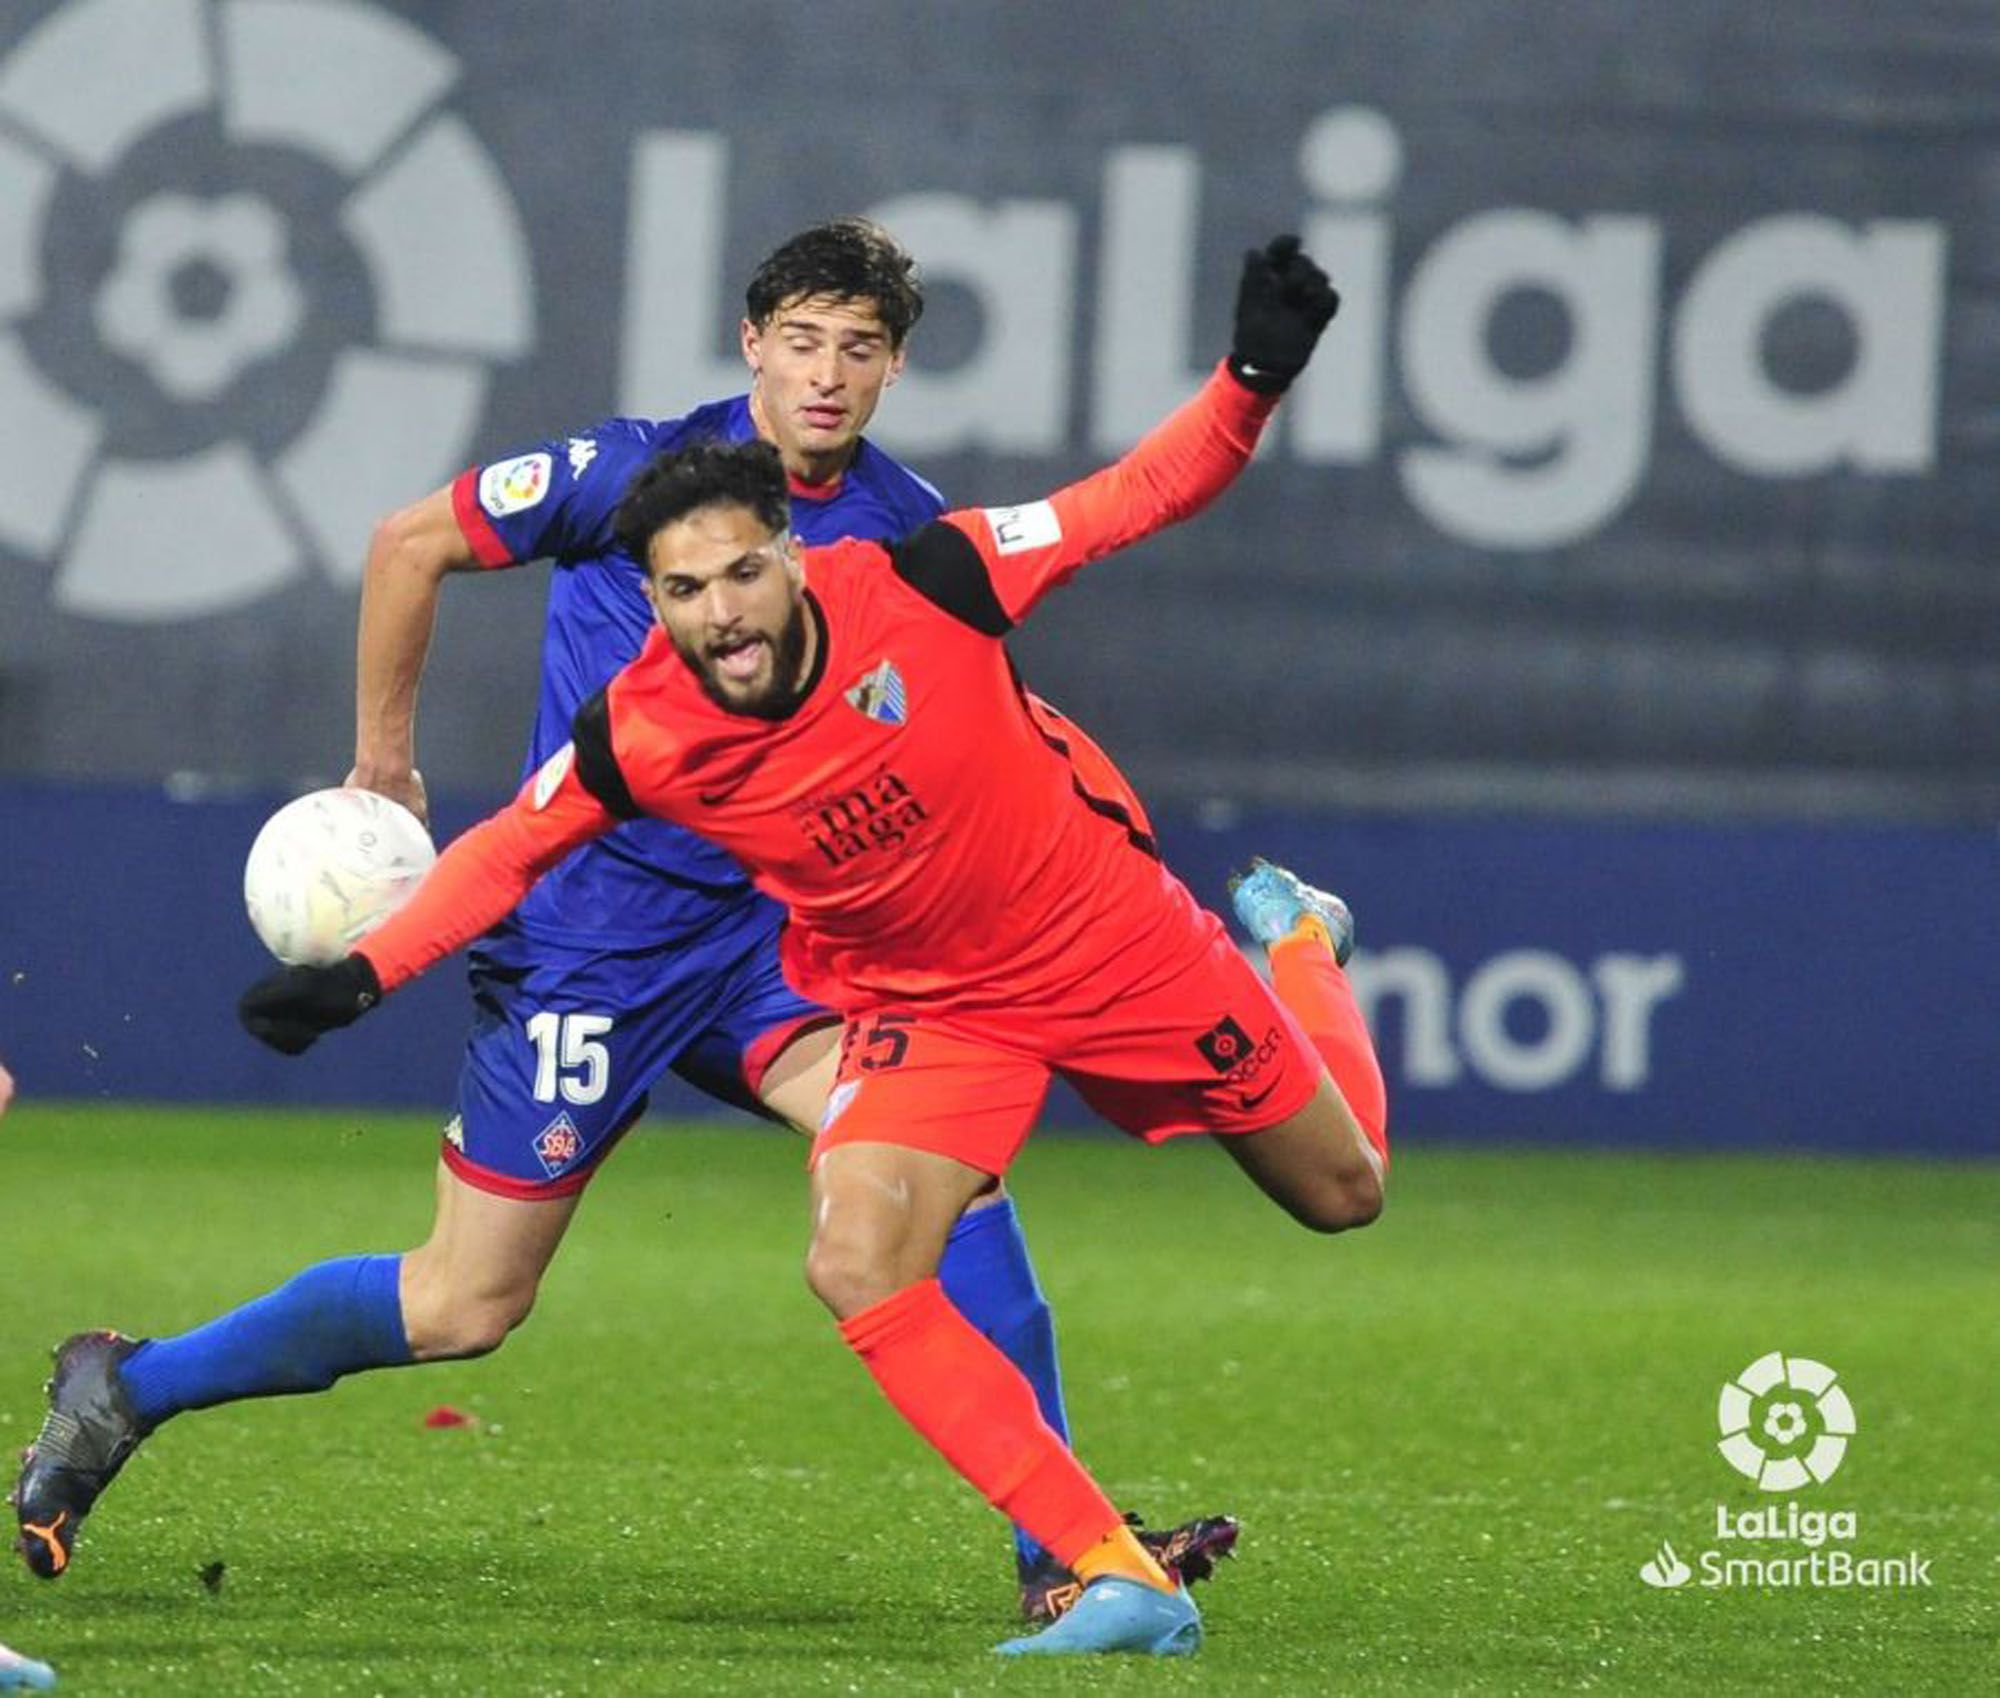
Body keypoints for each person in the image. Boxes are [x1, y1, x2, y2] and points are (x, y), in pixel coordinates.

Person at [9, 220, 1232, 1614]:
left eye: (860, 347)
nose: (826, 375)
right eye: (803, 340)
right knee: (465, 1305)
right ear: (751, 342)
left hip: (780, 944)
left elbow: (977, 728)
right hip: (586, 947)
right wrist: (384, 764)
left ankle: (1068, 1557)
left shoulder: (906, 526)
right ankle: (127, 1385)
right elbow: (410, 542)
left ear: (893, 366)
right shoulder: (625, 473)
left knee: (956, 1188)